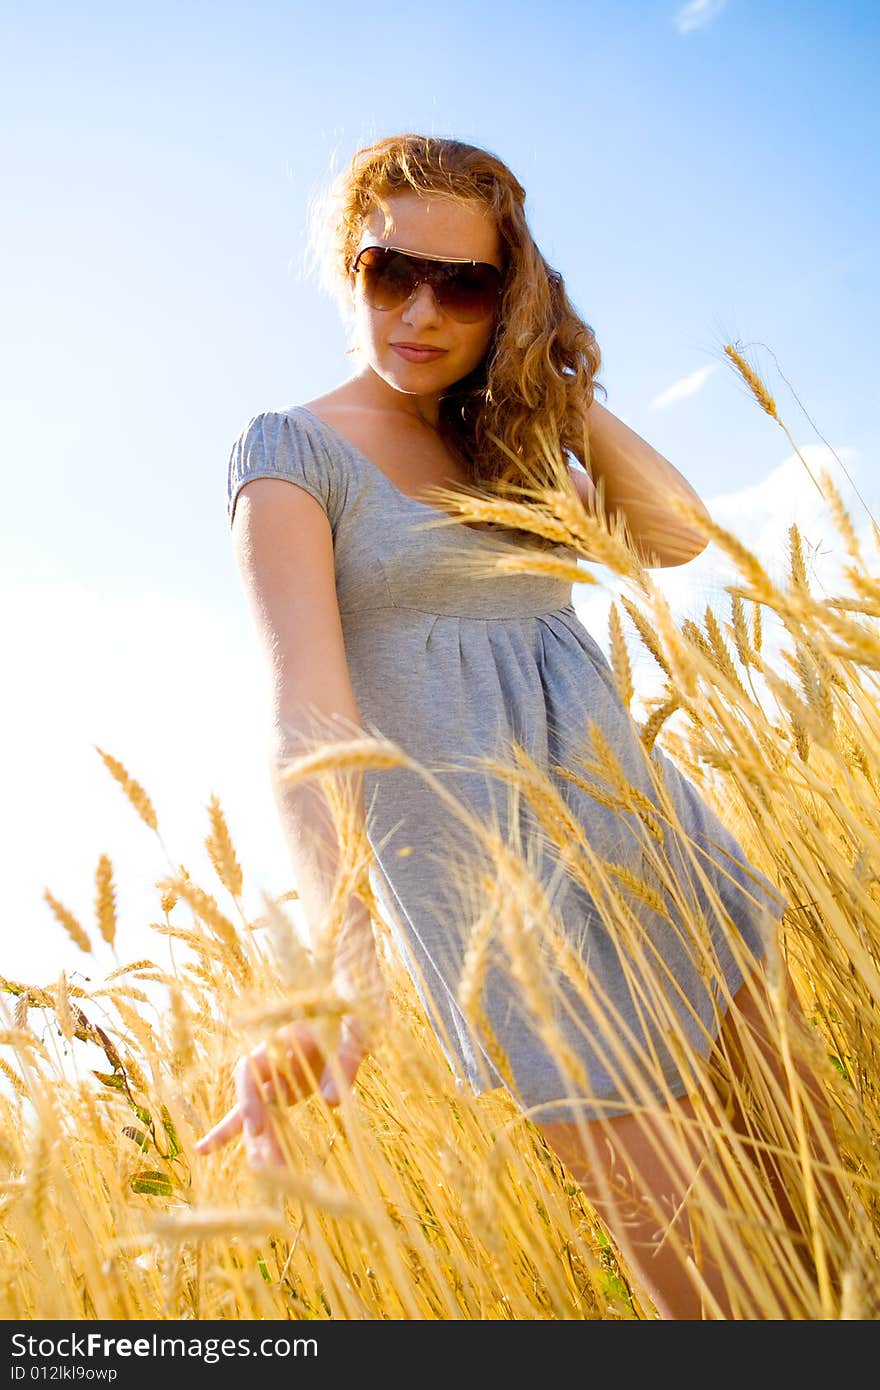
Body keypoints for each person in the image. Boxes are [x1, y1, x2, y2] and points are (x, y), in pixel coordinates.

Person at [195, 134, 847, 1319]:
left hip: (657, 853)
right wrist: (340, 963)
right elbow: (305, 710)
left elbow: (682, 532)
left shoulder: (507, 435)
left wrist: (550, 376)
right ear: (349, 266)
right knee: (714, 1291)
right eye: (391, 271)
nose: (422, 309)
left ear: (511, 291)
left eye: (468, 283)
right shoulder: (289, 453)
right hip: (505, 919)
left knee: (828, 1232)